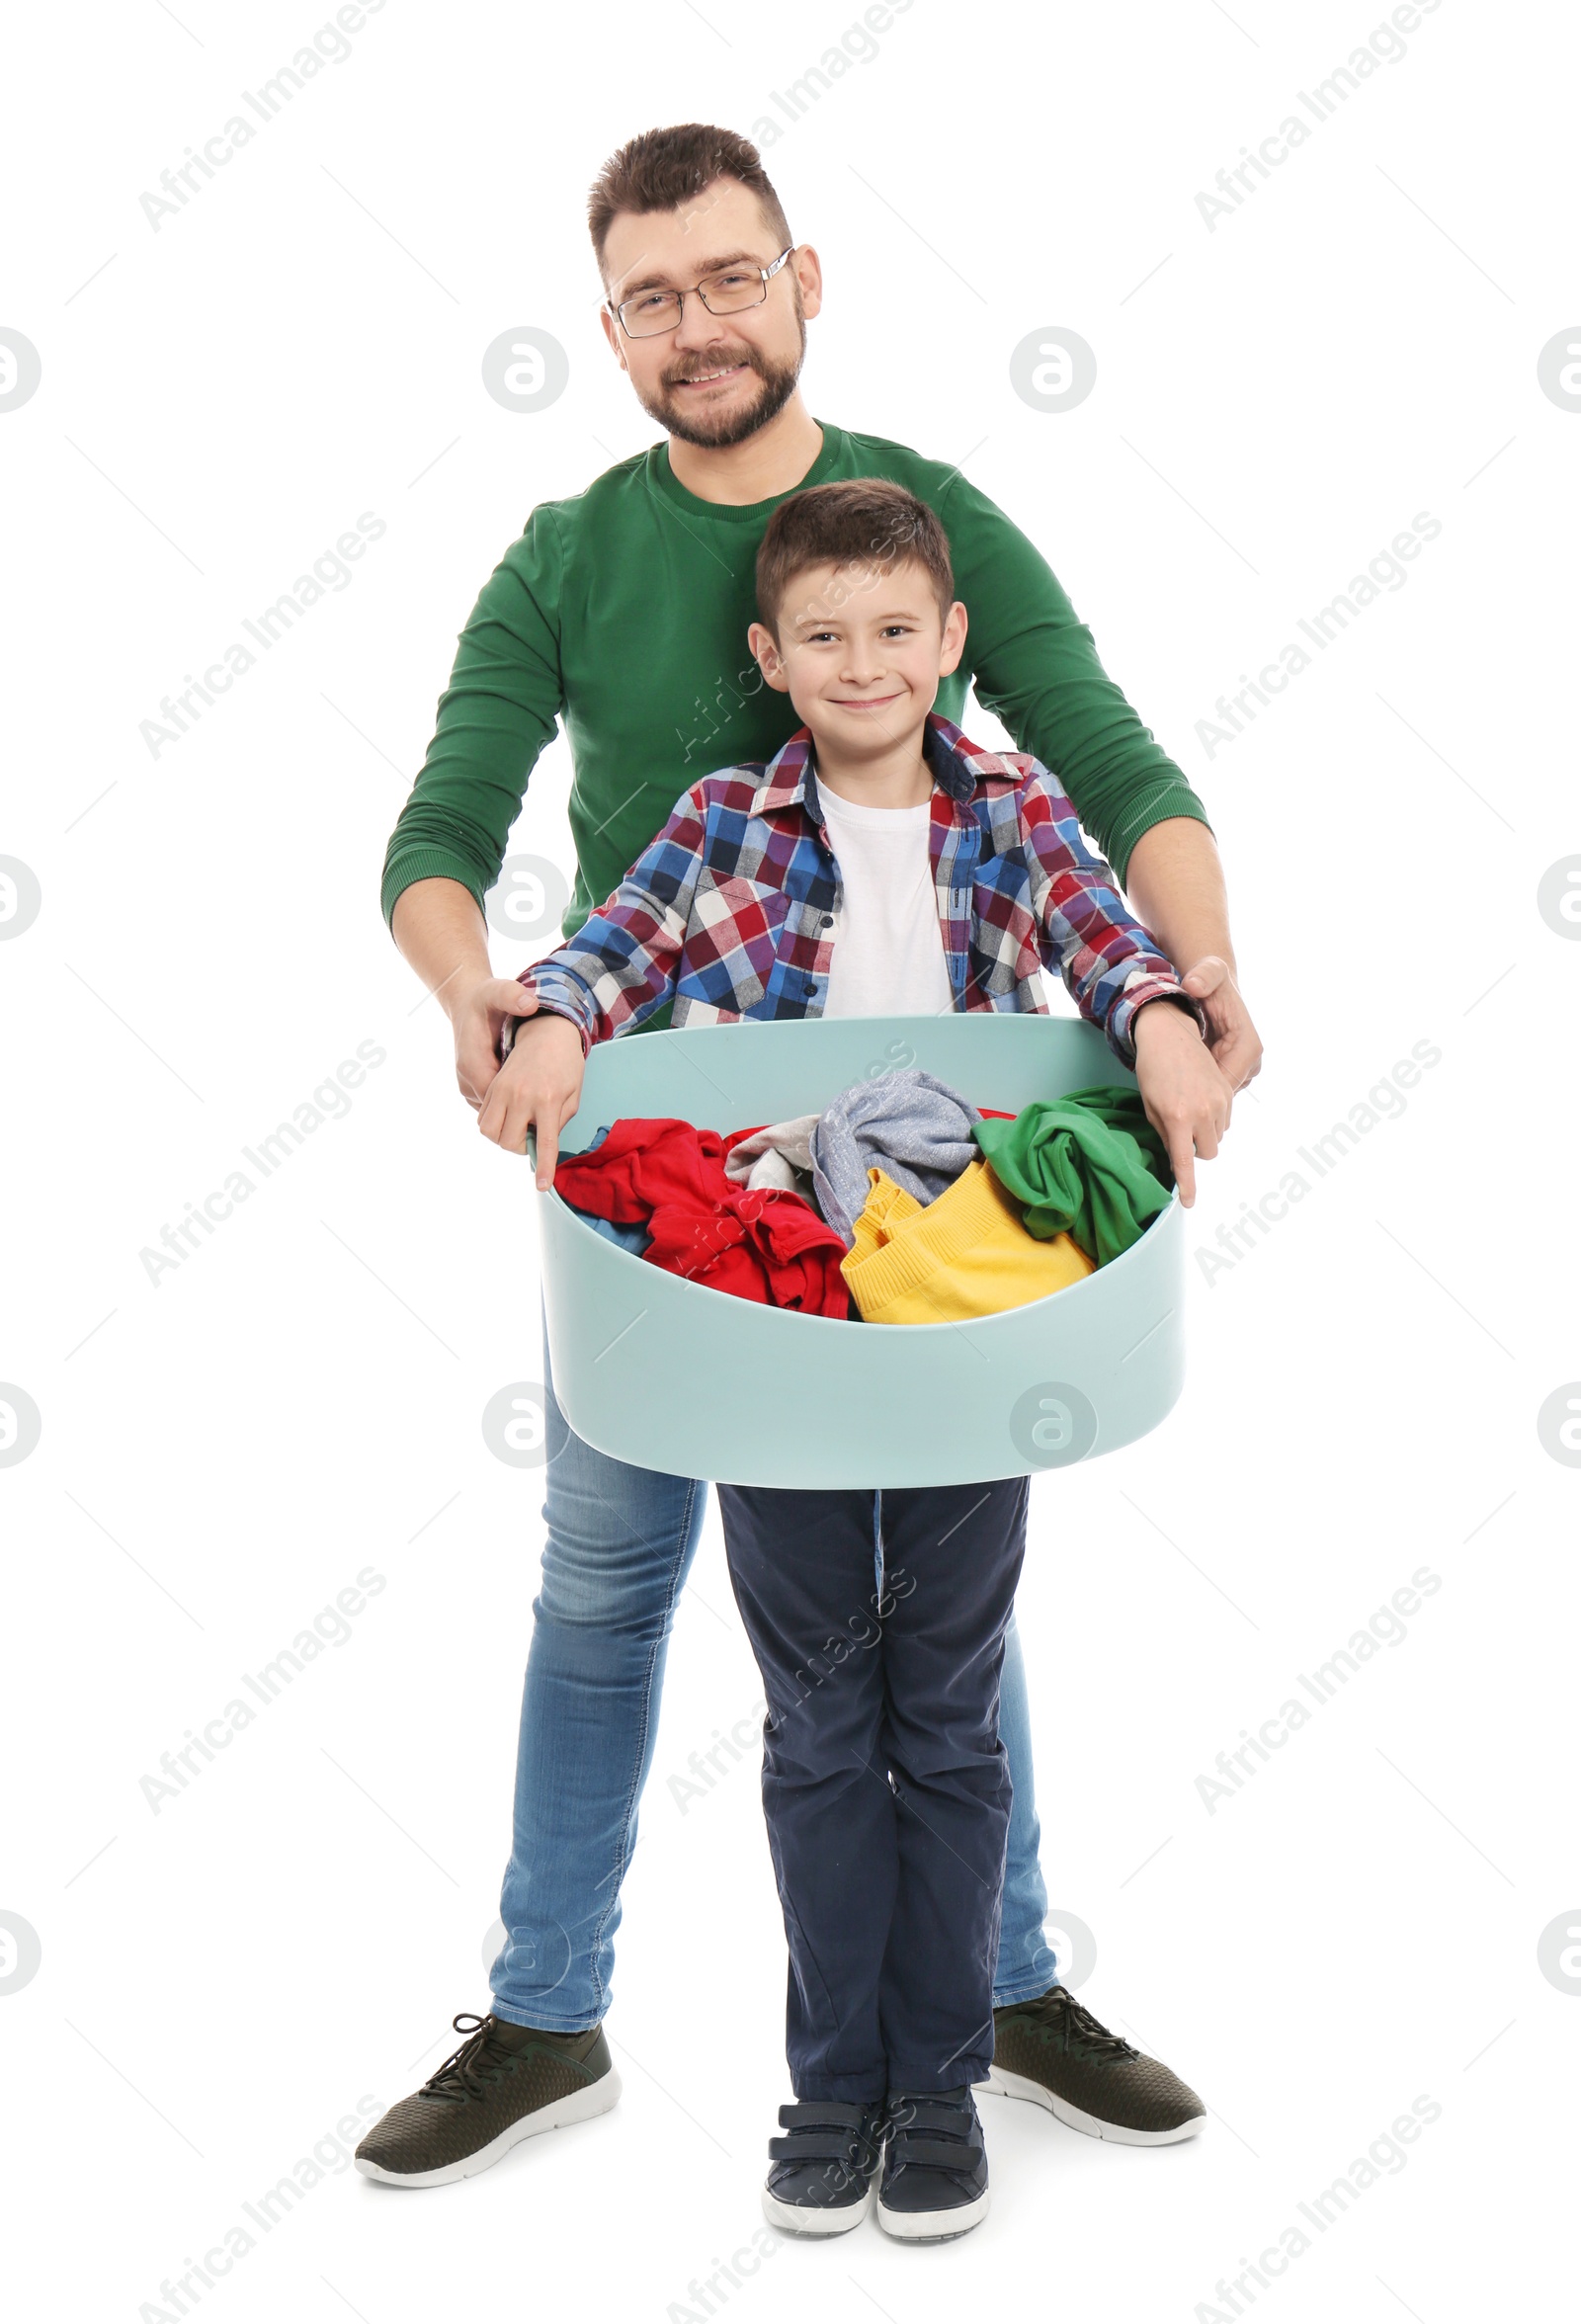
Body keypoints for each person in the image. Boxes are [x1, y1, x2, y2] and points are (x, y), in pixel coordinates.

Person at [357, 121, 1257, 2192]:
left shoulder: (924, 523)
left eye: (729, 277)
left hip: (935, 1205)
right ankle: (546, 2011)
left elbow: (1103, 773)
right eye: (651, 295)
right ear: (609, 330)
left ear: (803, 280)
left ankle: (990, 1990)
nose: (697, 324)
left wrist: (1190, 991)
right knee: (608, 1588)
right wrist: (492, 1008)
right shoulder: (565, 554)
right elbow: (442, 831)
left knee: (936, 1617)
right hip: (669, 1172)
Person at [472, 476, 1228, 2239]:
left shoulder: (1016, 804)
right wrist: (555, 1022)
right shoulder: (727, 812)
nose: (865, 664)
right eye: (825, 637)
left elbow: (1113, 950)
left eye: (898, 632)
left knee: (948, 1716)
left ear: (951, 644)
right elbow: (613, 947)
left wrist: (1178, 1019)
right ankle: (833, 2092)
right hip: (783, 1320)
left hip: (963, 1309)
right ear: (773, 654)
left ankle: (944, 2081)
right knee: (818, 1720)